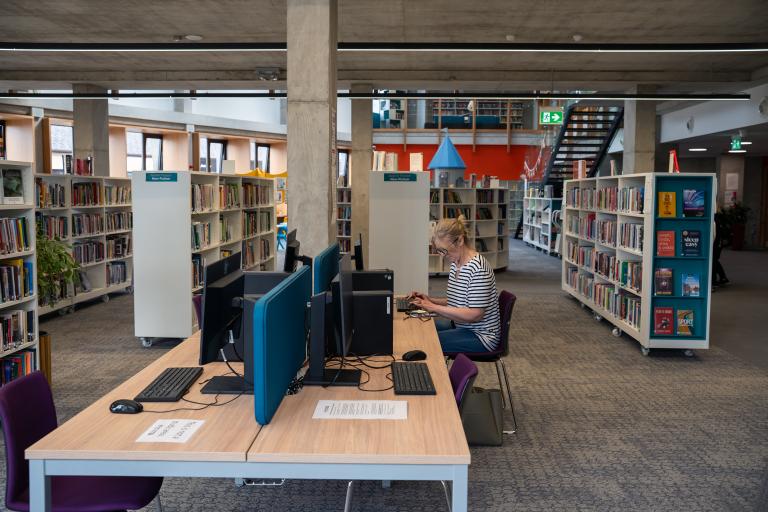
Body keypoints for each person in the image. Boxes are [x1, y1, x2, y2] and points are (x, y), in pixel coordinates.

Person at [409, 215, 500, 353]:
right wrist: (429, 300)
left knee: (426, 342)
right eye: (439, 251)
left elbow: (475, 314)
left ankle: (433, 374)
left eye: (443, 250)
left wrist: (433, 308)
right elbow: (458, 301)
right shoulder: (456, 263)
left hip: (481, 336)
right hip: (462, 326)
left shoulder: (478, 268)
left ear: (460, 241)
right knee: (418, 330)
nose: (442, 255)